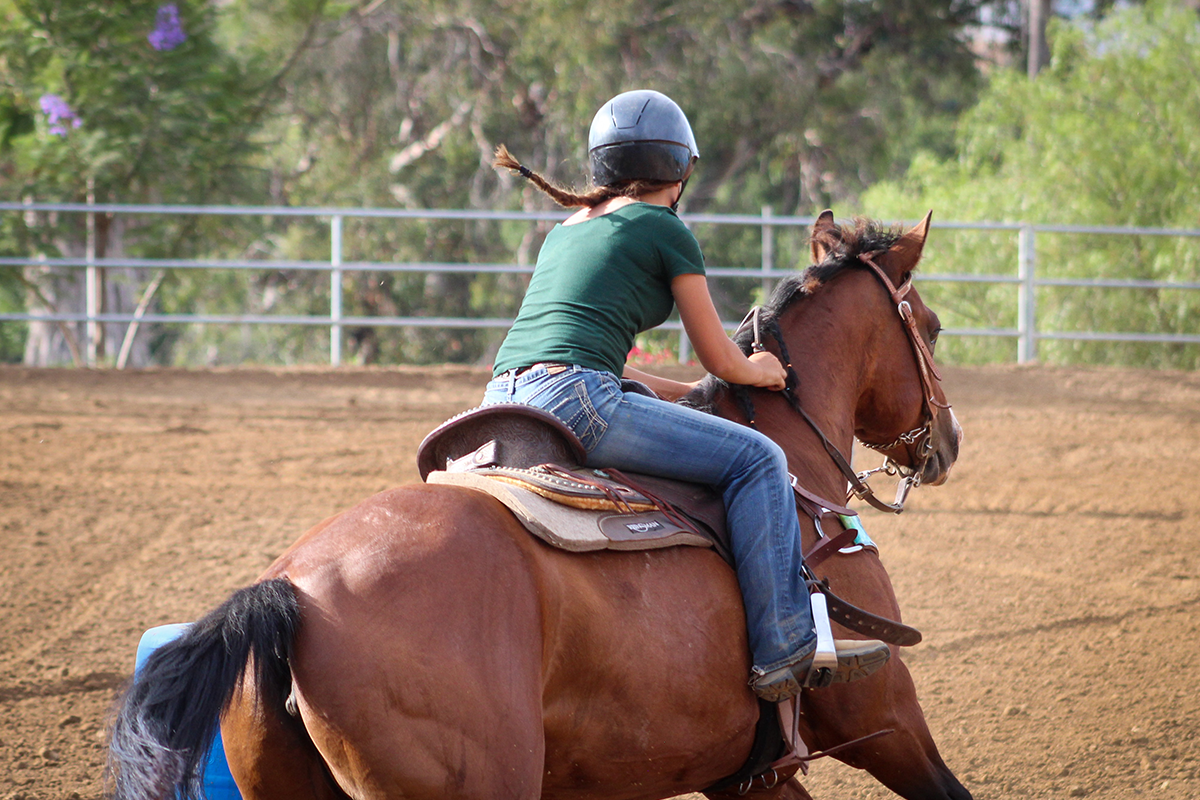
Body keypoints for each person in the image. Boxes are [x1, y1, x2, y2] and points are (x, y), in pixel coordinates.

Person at [484, 89, 889, 701]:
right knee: (758, 459)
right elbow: (720, 358)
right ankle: (785, 644)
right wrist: (760, 368)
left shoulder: (566, 229)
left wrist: (691, 393)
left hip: (504, 398)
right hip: (577, 397)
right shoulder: (663, 228)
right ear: (680, 168)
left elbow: (601, 361)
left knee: (635, 393)